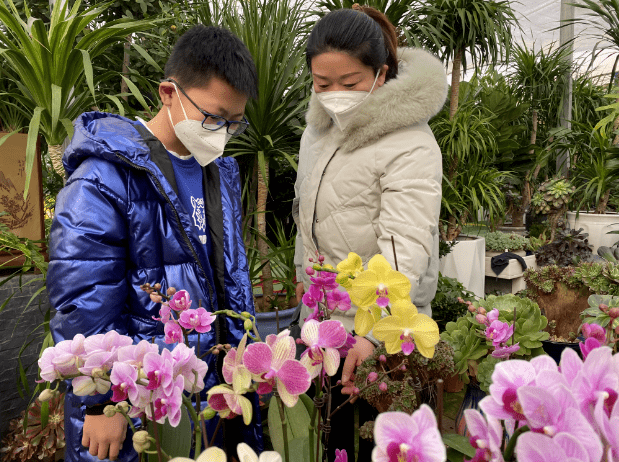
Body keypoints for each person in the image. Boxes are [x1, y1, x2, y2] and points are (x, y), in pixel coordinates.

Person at [47, 25, 261, 462]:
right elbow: (84, 294)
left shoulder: (218, 172)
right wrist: (102, 399)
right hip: (139, 398)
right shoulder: (103, 179)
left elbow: (231, 277)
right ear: (169, 92)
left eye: (233, 124)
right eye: (213, 118)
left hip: (209, 391)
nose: (220, 133)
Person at [292, 5, 447, 461]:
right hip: (322, 328)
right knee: (327, 443)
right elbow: (309, 222)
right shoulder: (317, 133)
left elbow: (407, 250)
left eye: (350, 82)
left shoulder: (410, 144)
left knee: (375, 445)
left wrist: (372, 336)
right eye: (323, 85)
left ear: (381, 74)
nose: (334, 94)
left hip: (379, 338)